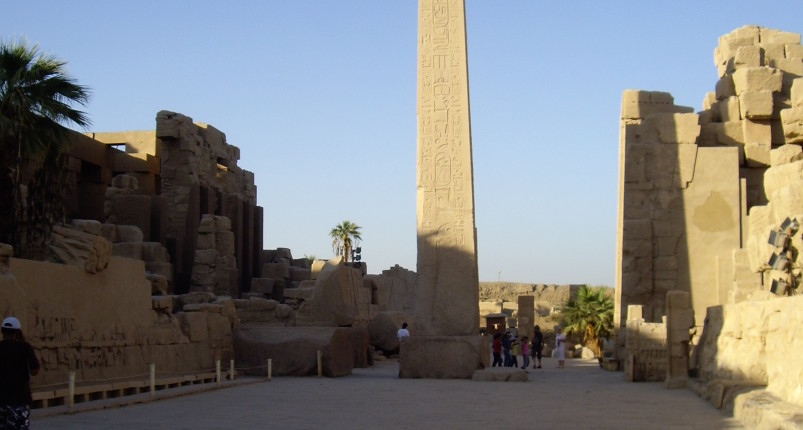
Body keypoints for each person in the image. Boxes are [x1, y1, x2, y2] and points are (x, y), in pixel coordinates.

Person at [0, 316, 40, 430]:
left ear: (2, 331)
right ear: (17, 332)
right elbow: (35, 370)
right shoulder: (25, 347)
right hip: (20, 399)